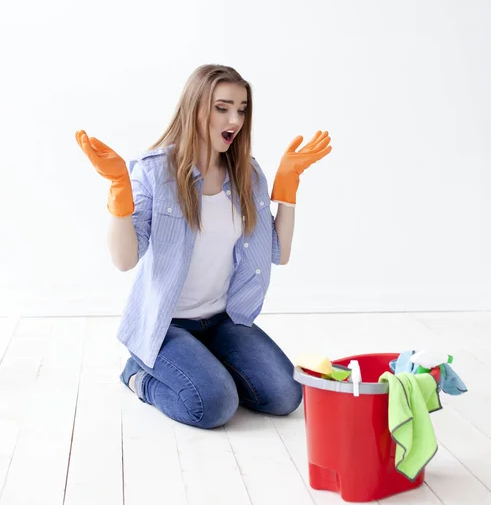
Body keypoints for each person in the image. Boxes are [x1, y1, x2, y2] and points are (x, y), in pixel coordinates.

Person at [76, 64, 331, 429]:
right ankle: (139, 376)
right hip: (165, 326)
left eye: (242, 109)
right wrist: (120, 190)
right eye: (222, 107)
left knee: (286, 394)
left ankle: (205, 363)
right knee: (214, 405)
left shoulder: (248, 174)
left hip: (222, 321)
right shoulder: (154, 173)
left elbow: (279, 253)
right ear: (195, 109)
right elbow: (124, 260)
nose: (235, 119)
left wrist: (287, 188)